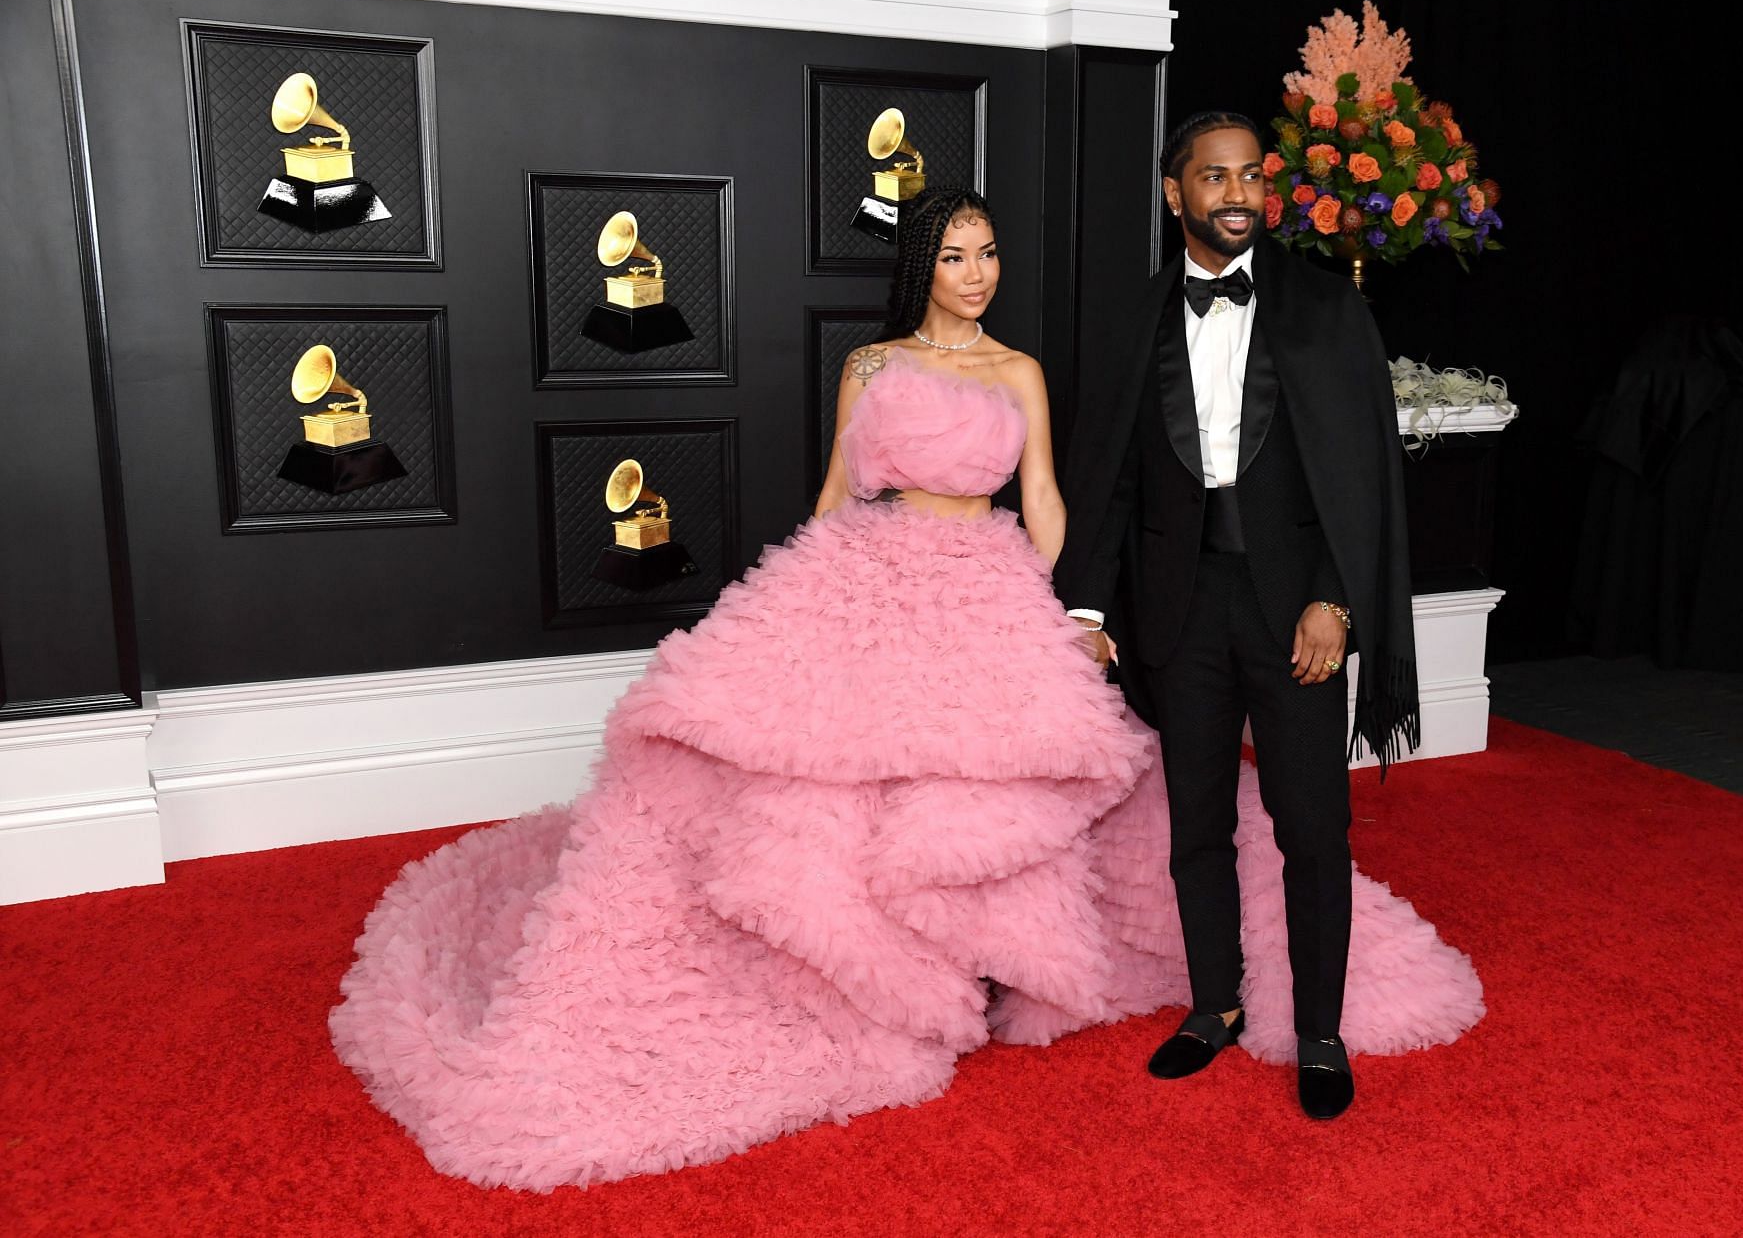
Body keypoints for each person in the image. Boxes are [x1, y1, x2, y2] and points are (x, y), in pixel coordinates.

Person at [330, 188, 1480, 1192]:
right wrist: (789, 601)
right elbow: (836, 487)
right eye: (956, 257)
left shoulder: (1023, 369)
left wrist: (1071, 612)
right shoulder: (870, 366)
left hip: (987, 579)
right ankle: (870, 987)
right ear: (920, 268)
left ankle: (1019, 972)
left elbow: (1047, 499)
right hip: (873, 576)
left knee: (988, 790)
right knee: (837, 787)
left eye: (988, 256)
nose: (977, 277)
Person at [1054, 112, 1423, 1118]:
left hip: (1295, 608)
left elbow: (1362, 477)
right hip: (1180, 610)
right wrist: (1086, 609)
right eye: (1214, 177)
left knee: (1313, 823)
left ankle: (1319, 1027)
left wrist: (1337, 602)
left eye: (1251, 176)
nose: (1237, 194)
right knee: (1197, 825)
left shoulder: (1321, 311)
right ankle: (1213, 1004)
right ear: (1176, 195)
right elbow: (1111, 479)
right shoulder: (1134, 318)